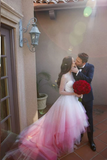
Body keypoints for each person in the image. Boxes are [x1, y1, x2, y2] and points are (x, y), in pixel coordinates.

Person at [3, 56, 88, 160]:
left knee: (70, 124)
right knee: (61, 124)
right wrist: (74, 93)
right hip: (65, 102)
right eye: (73, 61)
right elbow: (61, 91)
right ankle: (55, 143)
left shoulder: (73, 74)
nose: (75, 62)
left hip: (73, 102)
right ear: (68, 64)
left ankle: (66, 143)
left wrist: (77, 93)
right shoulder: (65, 76)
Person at [72, 53, 96, 151]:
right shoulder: (74, 66)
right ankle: (80, 135)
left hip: (88, 97)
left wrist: (78, 72)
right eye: (76, 60)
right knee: (78, 117)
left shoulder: (90, 67)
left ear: (84, 62)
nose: (76, 62)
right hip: (76, 98)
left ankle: (91, 140)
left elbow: (89, 80)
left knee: (89, 118)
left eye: (78, 61)